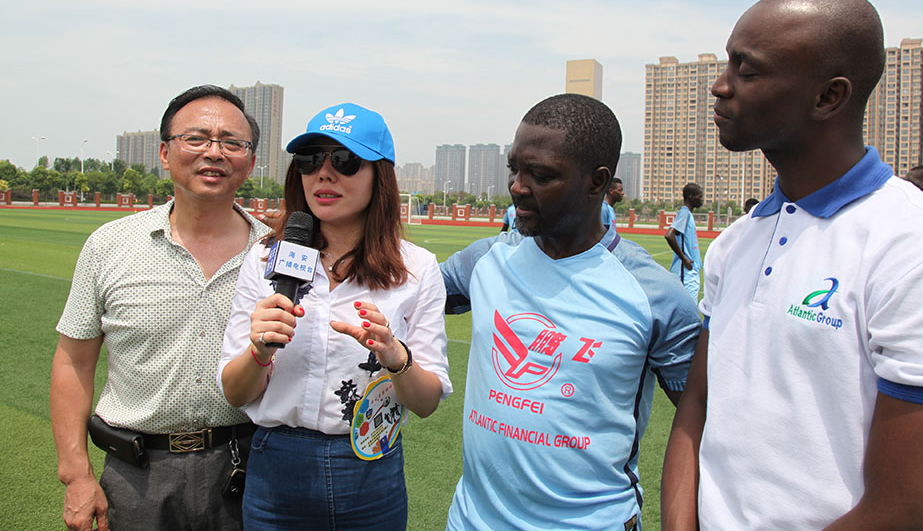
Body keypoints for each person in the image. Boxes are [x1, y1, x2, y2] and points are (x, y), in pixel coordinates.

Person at [661, 0, 923, 530]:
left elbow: (910, 511)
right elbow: (694, 412)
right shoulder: (735, 241)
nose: (720, 85)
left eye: (747, 70)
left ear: (828, 97)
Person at [441, 93, 701, 531]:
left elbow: (703, 422)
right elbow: (403, 289)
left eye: (540, 175)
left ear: (596, 182)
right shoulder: (485, 260)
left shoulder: (655, 296)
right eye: (514, 169)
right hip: (469, 522)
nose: (517, 186)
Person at [218, 103, 451, 531]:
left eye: (344, 160)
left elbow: (426, 402)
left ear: (379, 176)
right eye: (310, 160)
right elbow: (235, 393)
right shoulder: (265, 259)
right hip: (275, 471)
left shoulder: (417, 269)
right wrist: (259, 351)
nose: (324, 174)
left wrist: (395, 356)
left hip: (369, 470)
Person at [51, 85, 270, 531]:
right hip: (137, 476)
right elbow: (74, 361)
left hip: (248, 469)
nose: (215, 152)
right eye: (197, 138)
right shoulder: (110, 245)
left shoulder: (276, 255)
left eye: (232, 143)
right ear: (166, 153)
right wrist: (76, 474)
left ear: (249, 163)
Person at [664, 183, 703, 301]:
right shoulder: (684, 213)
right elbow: (669, 235)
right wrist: (684, 258)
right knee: (688, 309)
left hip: (691, 272)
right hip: (686, 274)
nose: (702, 200)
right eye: (700, 196)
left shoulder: (688, 214)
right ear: (691, 197)